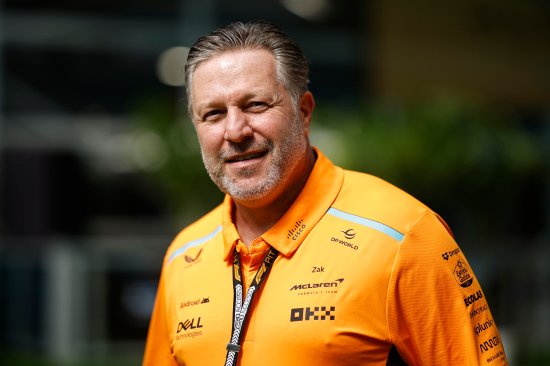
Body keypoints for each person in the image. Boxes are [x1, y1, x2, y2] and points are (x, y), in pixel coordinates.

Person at [143, 20, 508, 366]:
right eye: (213, 114)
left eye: (255, 105)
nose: (235, 131)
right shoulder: (183, 255)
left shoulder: (403, 236)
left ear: (303, 113)